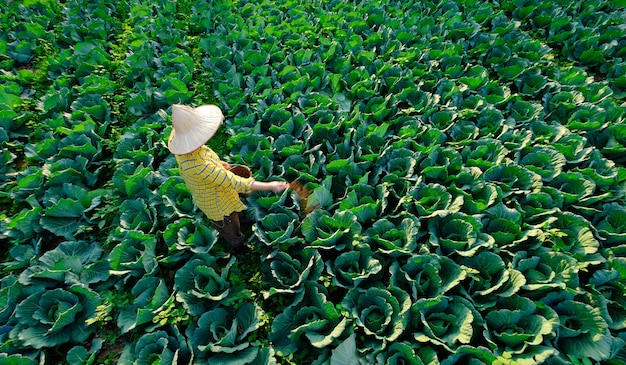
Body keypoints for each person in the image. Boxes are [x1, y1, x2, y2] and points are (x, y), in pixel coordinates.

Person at [167, 104, 289, 254]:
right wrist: (270, 186)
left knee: (235, 213)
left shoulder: (185, 150)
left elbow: (210, 163)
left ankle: (242, 219)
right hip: (216, 203)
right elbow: (234, 182)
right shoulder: (199, 166)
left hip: (215, 191)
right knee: (229, 226)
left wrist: (221, 165)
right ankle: (238, 246)